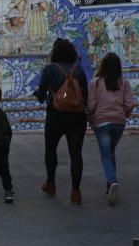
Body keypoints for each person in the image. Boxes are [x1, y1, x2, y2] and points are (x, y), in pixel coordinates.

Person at [33, 38, 89, 205]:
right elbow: (84, 96)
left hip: (55, 116)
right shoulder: (78, 70)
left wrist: (38, 93)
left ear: (55, 53)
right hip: (77, 117)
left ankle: (51, 183)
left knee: (51, 151)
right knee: (76, 154)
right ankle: (76, 192)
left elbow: (42, 97)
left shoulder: (50, 70)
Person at [87, 52, 134, 206]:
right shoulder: (124, 83)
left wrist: (91, 118)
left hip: (102, 123)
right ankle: (109, 186)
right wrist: (124, 114)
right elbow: (129, 105)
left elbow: (92, 106)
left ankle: (112, 181)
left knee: (106, 155)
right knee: (110, 152)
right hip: (119, 123)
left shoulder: (96, 83)